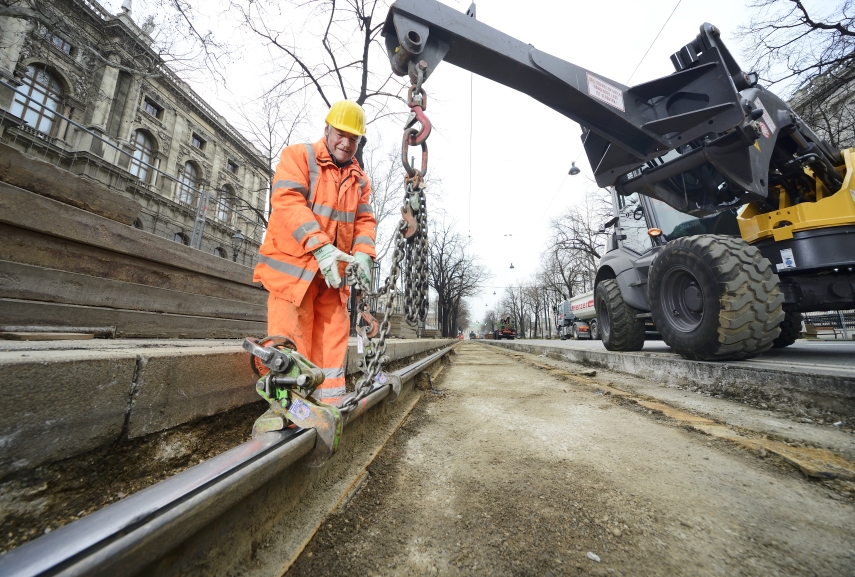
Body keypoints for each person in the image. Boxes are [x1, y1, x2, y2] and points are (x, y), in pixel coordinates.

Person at [253, 100, 377, 405]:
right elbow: (287, 201)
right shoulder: (299, 156)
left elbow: (364, 221)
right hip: (294, 275)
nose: (346, 143)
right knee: (291, 344)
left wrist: (363, 254)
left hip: (332, 281)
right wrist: (322, 248)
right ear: (327, 129)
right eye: (340, 134)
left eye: (354, 139)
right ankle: (288, 412)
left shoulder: (359, 179)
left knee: (332, 343)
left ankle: (329, 408)